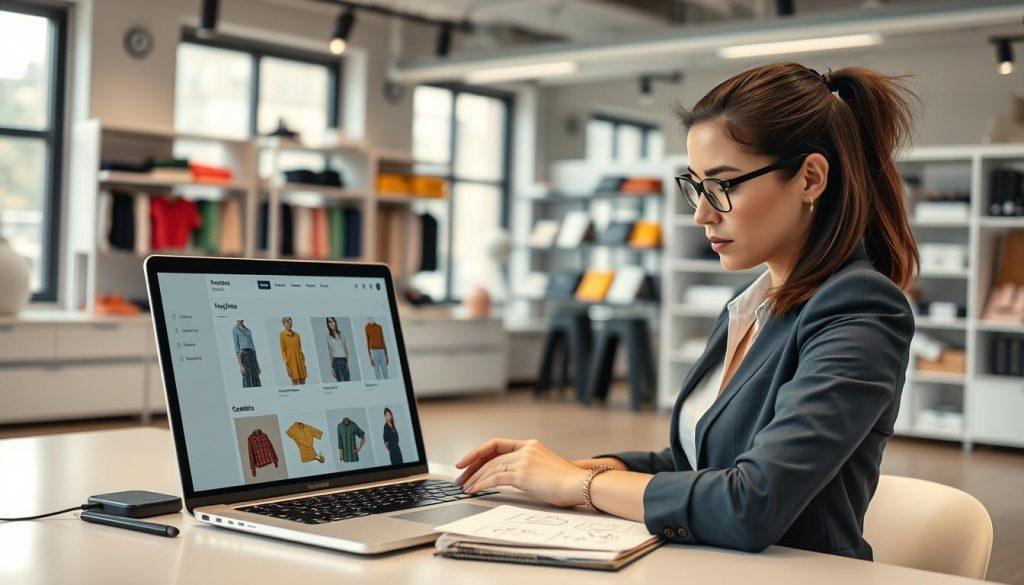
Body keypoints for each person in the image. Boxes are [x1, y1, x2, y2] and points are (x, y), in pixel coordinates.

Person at [454, 62, 919, 561]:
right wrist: (549, 469)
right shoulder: (750, 309)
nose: (702, 212)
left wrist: (578, 483)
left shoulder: (862, 310)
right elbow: (693, 460)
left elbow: (750, 503)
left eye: (723, 185)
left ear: (810, 177)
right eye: (695, 186)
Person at [278, 316, 307, 385]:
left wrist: (304, 363)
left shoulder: (297, 335)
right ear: (283, 323)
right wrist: (287, 366)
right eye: (286, 321)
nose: (288, 322)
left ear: (291, 322)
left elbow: (300, 349)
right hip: (291, 363)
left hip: (300, 361)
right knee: (295, 383)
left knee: (303, 381)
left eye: (289, 320)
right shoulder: (282, 335)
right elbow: (283, 350)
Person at [232, 320, 261, 388]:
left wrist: (258, 365)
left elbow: (253, 348)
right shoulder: (235, 329)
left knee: (255, 379)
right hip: (244, 356)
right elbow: (237, 348)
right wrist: (240, 365)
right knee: (247, 380)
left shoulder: (248, 330)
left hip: (252, 356)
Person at [325, 317, 350, 382]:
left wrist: (347, 363)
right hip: (335, 361)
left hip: (343, 360)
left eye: (332, 321)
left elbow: (345, 349)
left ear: (335, 322)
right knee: (340, 382)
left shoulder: (341, 334)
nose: (331, 323)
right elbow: (330, 352)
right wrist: (332, 368)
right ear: (328, 324)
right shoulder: (328, 337)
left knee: (348, 381)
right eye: (329, 322)